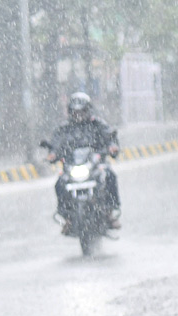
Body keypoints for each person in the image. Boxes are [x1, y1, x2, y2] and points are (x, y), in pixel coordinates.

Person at [45, 91, 121, 230]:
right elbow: (55, 144)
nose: (78, 115)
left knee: (110, 175)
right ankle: (67, 217)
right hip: (72, 166)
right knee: (60, 184)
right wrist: (52, 153)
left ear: (88, 110)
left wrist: (112, 147)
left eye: (82, 111)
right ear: (70, 112)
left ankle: (109, 212)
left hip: (95, 165)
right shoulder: (64, 128)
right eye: (75, 112)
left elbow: (110, 136)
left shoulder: (97, 124)